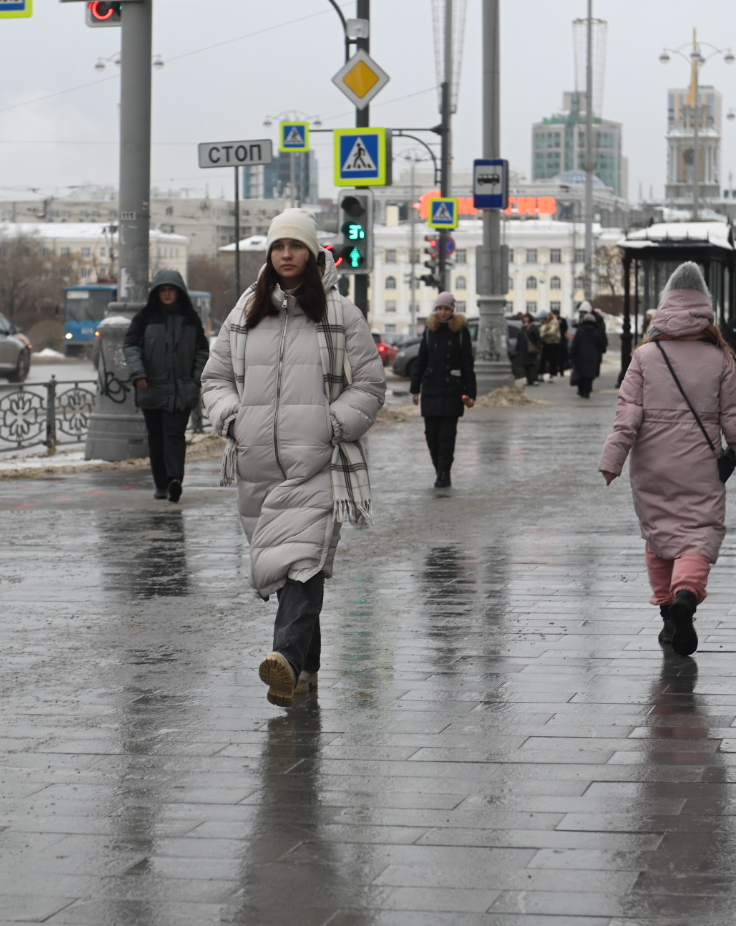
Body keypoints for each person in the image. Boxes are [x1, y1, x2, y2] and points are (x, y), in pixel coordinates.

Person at [200, 209, 386, 707]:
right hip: (257, 464)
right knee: (287, 570)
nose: (286, 254)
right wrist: (233, 419)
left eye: (295, 246)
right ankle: (305, 672)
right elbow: (214, 379)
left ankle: (283, 657)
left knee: (302, 562)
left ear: (312, 253)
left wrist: (333, 424)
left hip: (319, 462)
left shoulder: (341, 314)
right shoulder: (245, 314)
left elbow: (369, 385)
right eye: (278, 246)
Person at [599, 262, 736, 656]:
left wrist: (611, 461)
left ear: (664, 308)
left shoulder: (644, 356)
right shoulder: (721, 359)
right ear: (705, 309)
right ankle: (686, 594)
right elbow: (734, 423)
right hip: (700, 465)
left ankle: (669, 617)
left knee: (658, 538)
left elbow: (627, 417)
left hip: (651, 463)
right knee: (698, 534)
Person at [123, 268, 210, 502]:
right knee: (156, 438)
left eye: (172, 290)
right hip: (151, 388)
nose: (168, 294)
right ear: (156, 293)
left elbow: (202, 350)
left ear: (179, 292)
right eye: (164, 290)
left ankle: (174, 481)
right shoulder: (144, 318)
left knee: (174, 435)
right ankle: (161, 484)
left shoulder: (190, 319)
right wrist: (138, 373)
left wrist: (194, 380)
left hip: (181, 391)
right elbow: (130, 347)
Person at [408, 291, 475, 488]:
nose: (443, 312)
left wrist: (471, 394)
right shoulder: (430, 330)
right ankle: (439, 469)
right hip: (431, 390)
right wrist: (415, 389)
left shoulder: (461, 332)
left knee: (446, 437)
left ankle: (444, 473)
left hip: (452, 391)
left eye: (446, 309)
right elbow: (421, 361)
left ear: (452, 310)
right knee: (431, 436)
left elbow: (467, 365)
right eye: (440, 308)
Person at [569, 302, 608, 399]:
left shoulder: (580, 330)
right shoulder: (596, 331)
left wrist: (572, 355)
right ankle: (587, 390)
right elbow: (600, 342)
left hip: (580, 355)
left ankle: (581, 390)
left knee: (581, 372)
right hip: (593, 355)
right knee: (590, 373)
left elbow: (575, 343)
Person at [537, 308, 563, 380]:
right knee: (543, 359)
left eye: (543, 319)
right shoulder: (544, 322)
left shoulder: (554, 321)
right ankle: (541, 374)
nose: (542, 320)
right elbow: (541, 329)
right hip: (546, 342)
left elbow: (552, 331)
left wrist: (543, 334)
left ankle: (552, 375)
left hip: (554, 342)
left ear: (546, 317)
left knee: (552, 359)